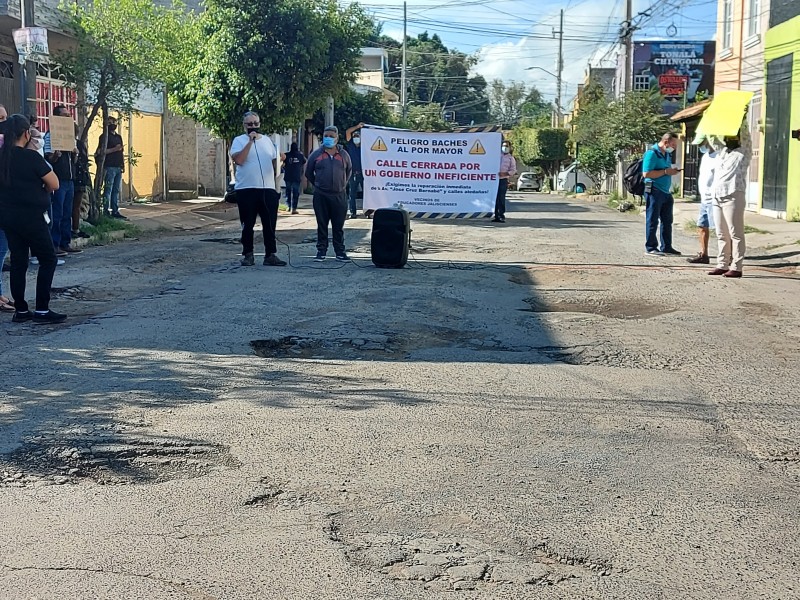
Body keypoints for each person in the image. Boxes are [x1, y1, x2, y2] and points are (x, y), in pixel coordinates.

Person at [0, 114, 66, 324]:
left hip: (8, 218)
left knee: (19, 262)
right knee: (48, 258)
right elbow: (54, 183)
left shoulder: (2, 157)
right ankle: (42, 310)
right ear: (27, 134)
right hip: (32, 217)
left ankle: (20, 310)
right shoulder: (30, 157)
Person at [230, 111, 286, 267]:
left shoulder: (268, 141)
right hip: (246, 189)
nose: (253, 127)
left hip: (267, 188)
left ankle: (270, 255)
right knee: (247, 224)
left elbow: (275, 162)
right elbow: (239, 160)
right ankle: (248, 255)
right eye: (250, 124)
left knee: (270, 223)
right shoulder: (239, 141)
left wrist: (280, 158)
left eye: (256, 123)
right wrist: (250, 141)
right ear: (244, 126)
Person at [305, 125, 352, 262]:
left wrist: (342, 185)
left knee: (338, 226)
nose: (328, 138)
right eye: (326, 136)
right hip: (321, 196)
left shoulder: (343, 154)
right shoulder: (316, 154)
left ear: (337, 138)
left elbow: (348, 171)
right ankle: (321, 251)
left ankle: (340, 252)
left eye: (332, 136)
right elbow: (308, 172)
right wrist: (318, 185)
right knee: (322, 224)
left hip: (339, 195)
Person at [707, 129, 750, 278]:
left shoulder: (743, 152)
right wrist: (709, 124)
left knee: (735, 233)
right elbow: (712, 139)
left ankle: (737, 267)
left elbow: (746, 137)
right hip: (717, 196)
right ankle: (722, 264)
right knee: (721, 233)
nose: (730, 137)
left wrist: (743, 120)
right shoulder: (723, 152)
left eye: (733, 135)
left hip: (733, 194)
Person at [44, 106, 82, 256]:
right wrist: (56, 156)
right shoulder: (51, 135)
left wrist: (75, 154)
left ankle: (65, 242)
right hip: (57, 180)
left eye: (69, 115)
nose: (68, 117)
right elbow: (48, 159)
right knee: (57, 213)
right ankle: (54, 244)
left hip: (69, 179)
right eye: (65, 115)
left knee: (67, 212)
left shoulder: (70, 136)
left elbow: (74, 160)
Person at [642, 132, 682, 256]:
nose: (674, 147)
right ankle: (651, 247)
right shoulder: (652, 153)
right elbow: (646, 174)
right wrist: (665, 171)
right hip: (654, 190)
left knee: (667, 220)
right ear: (666, 142)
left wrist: (671, 172)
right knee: (653, 219)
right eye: (673, 144)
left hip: (665, 191)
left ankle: (666, 246)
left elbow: (666, 171)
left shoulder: (666, 154)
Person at [687, 136, 718, 264]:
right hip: (704, 198)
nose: (701, 146)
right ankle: (704, 254)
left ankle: (729, 257)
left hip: (714, 198)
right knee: (702, 226)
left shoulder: (719, 157)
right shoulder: (705, 157)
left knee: (721, 230)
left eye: (702, 143)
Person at [96, 116, 126, 219]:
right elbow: (100, 152)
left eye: (114, 122)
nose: (113, 124)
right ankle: (105, 210)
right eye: (110, 123)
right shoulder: (104, 136)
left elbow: (121, 151)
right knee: (108, 189)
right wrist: (114, 149)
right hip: (109, 166)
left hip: (118, 166)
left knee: (116, 190)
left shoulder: (118, 137)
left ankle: (115, 210)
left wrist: (123, 165)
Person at [492, 139, 517, 223]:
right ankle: (496, 215)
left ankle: (501, 215)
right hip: (494, 180)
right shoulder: (497, 155)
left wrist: (505, 173)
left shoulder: (511, 158)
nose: (505, 147)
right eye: (503, 146)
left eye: (506, 146)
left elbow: (513, 170)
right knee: (495, 198)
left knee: (501, 198)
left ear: (510, 148)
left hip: (503, 180)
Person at [283, 142, 306, 214]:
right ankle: (294, 208)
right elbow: (304, 162)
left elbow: (282, 163)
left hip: (288, 176)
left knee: (288, 192)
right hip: (296, 176)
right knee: (296, 193)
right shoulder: (300, 156)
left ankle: (288, 206)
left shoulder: (286, 155)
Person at [345, 130, 362, 219]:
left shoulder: (364, 147)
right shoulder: (351, 146)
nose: (356, 138)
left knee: (367, 194)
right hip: (353, 174)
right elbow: (348, 132)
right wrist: (358, 126)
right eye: (354, 136)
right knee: (352, 194)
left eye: (357, 136)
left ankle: (368, 211)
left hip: (363, 174)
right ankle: (353, 212)